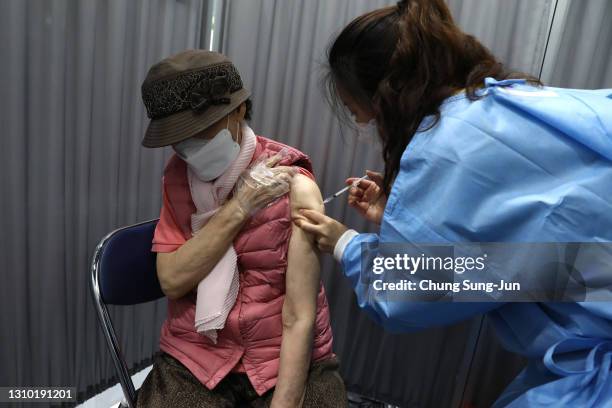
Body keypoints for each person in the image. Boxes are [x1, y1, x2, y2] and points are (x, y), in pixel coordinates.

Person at [295, 1, 612, 407]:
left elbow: (408, 293)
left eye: (363, 113)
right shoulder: (507, 102)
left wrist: (345, 243)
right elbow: (522, 248)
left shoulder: (445, 144)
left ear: (383, 96)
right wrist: (406, 218)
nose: (362, 125)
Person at [137, 50, 346, 408]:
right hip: (198, 352)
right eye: (178, 137)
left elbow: (298, 316)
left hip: (282, 356)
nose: (189, 147)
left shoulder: (294, 183)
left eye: (201, 130)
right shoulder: (176, 177)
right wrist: (240, 207)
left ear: (237, 111)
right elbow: (172, 280)